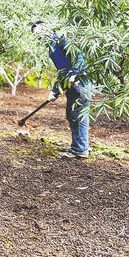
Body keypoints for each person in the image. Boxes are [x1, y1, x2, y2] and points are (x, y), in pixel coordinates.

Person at [31, 21, 93, 159]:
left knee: (78, 114)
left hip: (81, 81)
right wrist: (55, 90)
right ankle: (79, 145)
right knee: (71, 115)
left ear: (46, 30)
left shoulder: (61, 38)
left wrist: (76, 74)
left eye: (39, 33)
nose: (39, 38)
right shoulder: (51, 48)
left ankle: (80, 149)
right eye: (36, 36)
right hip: (70, 83)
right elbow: (63, 70)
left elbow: (78, 55)